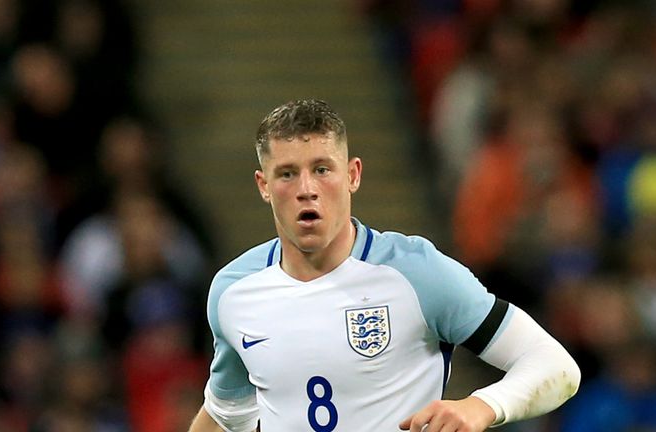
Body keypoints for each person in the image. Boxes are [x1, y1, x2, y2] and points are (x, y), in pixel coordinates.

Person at [188, 99, 581, 432]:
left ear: (352, 175)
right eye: (287, 174)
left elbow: (555, 365)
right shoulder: (234, 291)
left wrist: (480, 406)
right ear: (263, 185)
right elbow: (226, 417)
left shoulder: (416, 274)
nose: (306, 189)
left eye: (322, 169)